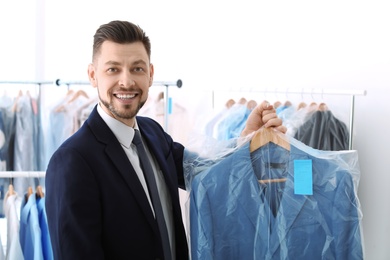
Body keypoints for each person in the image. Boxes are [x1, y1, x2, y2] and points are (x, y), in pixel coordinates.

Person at [45, 20, 286, 260]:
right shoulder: (72, 161)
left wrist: (246, 139)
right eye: (113, 69)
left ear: (150, 74)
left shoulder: (152, 133)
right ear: (92, 75)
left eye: (137, 69)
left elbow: (204, 174)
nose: (127, 81)